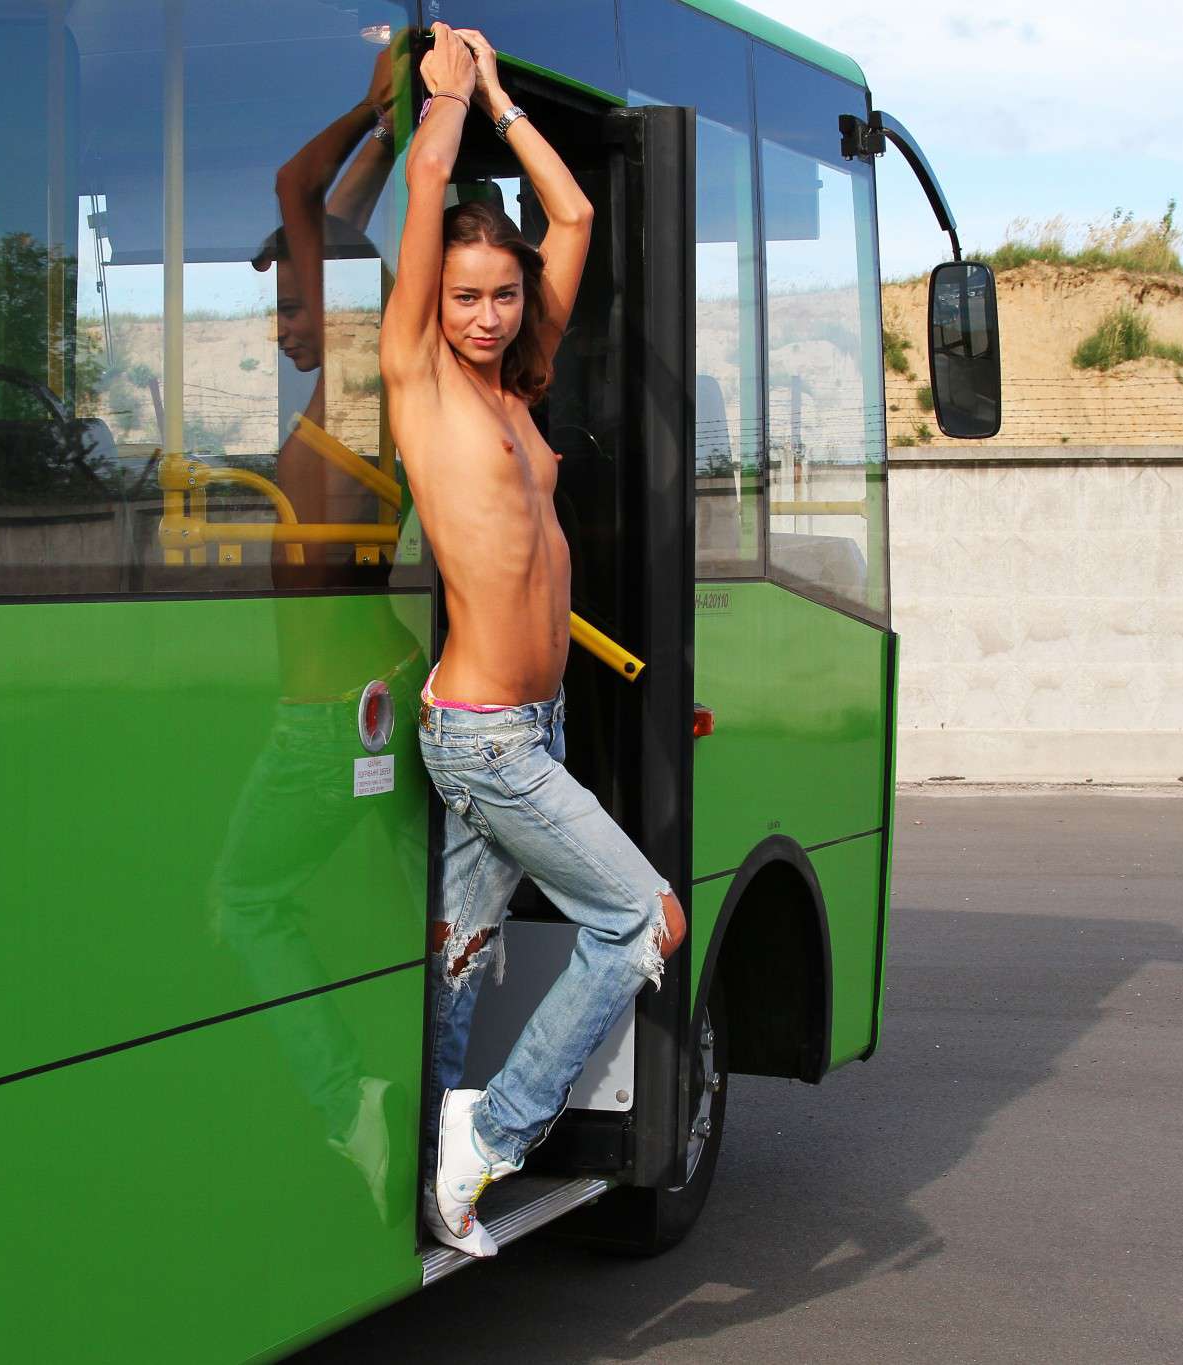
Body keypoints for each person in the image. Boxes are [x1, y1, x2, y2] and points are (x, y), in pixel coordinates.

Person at [378, 24, 687, 1259]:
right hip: (486, 736)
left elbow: (572, 217)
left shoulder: (515, 387)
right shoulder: (418, 375)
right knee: (640, 922)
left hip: (534, 724)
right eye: (464, 297)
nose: (486, 316)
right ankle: (493, 1135)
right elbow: (423, 185)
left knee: (458, 964)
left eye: (501, 295)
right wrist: (448, 99)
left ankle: (427, 1184)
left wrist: (505, 100)